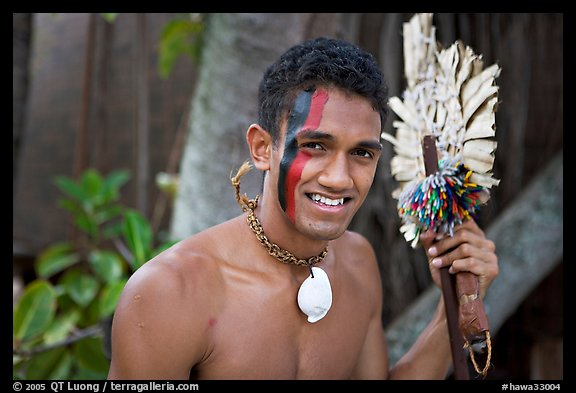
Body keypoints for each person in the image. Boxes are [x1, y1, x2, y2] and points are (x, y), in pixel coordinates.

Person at [107, 37, 498, 380]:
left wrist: (455, 309)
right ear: (262, 148)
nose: (339, 178)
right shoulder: (170, 292)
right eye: (315, 145)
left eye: (361, 153)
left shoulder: (358, 263)